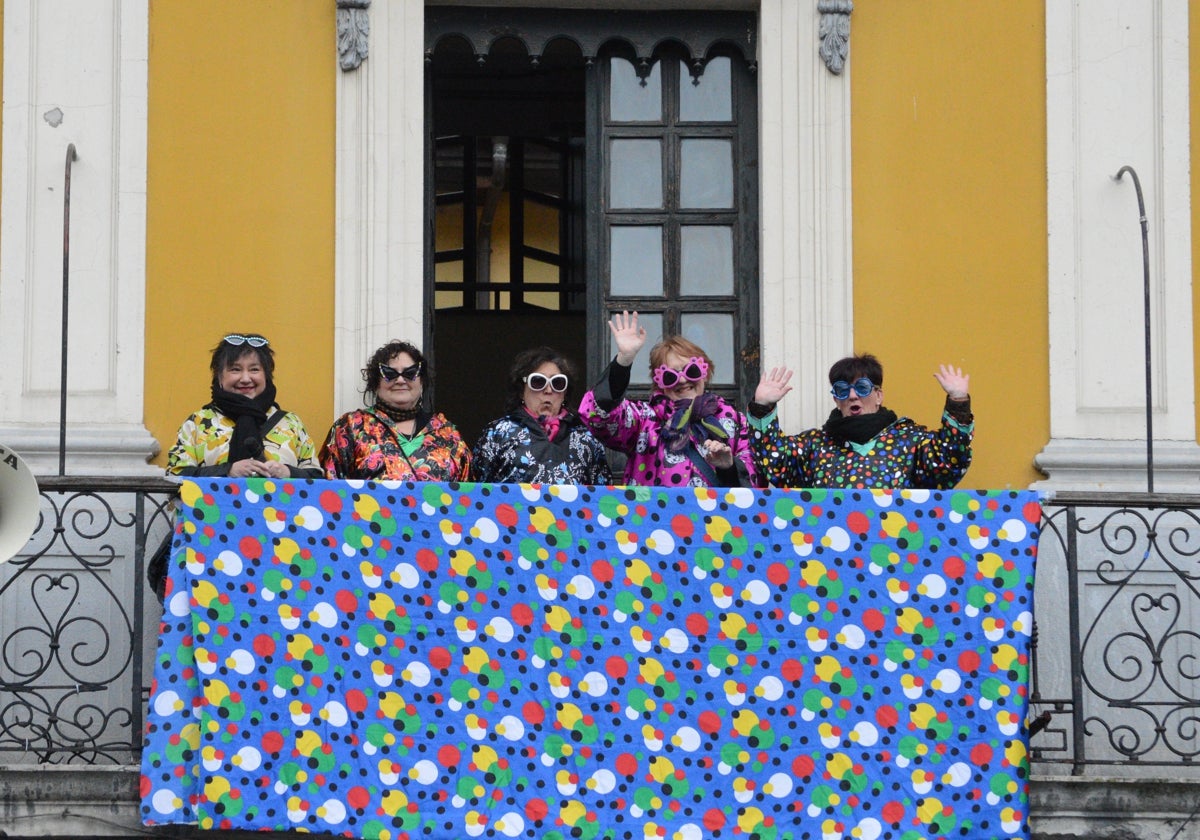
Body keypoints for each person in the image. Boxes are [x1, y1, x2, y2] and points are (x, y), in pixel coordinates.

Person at [578, 311, 759, 488]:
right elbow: (599, 416)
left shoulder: (734, 421)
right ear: (659, 384)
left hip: (715, 518)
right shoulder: (644, 420)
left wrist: (729, 467)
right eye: (670, 376)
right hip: (654, 517)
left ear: (706, 373)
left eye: (692, 371)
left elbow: (754, 479)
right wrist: (623, 361)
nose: (682, 380)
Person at [747, 353, 973, 489]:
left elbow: (948, 461)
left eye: (862, 388)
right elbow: (773, 460)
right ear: (836, 399)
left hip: (898, 557)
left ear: (879, 395)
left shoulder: (910, 441)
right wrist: (763, 406)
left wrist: (958, 401)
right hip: (832, 559)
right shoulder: (815, 445)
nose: (853, 396)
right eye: (843, 390)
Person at [167, 332, 324, 479]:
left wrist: (288, 472)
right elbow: (175, 475)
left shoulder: (291, 423)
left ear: (267, 376)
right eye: (235, 369)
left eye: (254, 369)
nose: (245, 378)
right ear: (219, 377)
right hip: (213, 509)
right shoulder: (198, 423)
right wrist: (227, 471)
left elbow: (316, 476)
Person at [319, 340, 471, 481]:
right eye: (389, 374)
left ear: (422, 380)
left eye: (410, 373)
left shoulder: (448, 435)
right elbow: (328, 490)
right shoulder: (350, 427)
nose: (400, 380)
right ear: (375, 383)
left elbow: (469, 495)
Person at [472, 346, 611, 485]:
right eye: (538, 382)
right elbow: (477, 492)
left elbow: (601, 498)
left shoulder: (586, 439)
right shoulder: (498, 433)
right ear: (521, 390)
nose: (548, 390)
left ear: (565, 394)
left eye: (558, 383)